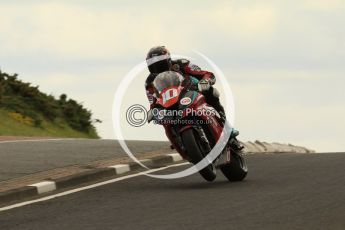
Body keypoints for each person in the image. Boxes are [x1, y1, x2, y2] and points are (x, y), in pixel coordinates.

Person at [144, 46, 242, 148]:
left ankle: (226, 126)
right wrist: (152, 111)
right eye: (153, 66)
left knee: (211, 92)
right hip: (170, 102)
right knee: (160, 115)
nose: (158, 69)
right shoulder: (149, 82)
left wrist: (205, 82)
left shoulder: (182, 63)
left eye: (160, 65)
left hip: (191, 90)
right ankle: (176, 139)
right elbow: (153, 100)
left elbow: (206, 74)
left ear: (168, 60)